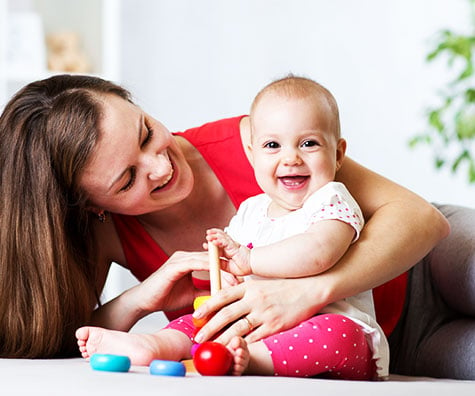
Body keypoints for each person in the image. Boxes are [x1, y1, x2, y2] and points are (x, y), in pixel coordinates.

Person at [0, 73, 463, 380]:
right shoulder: (105, 233)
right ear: (91, 206)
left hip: (422, 262)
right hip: (374, 346)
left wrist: (309, 291)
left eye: (146, 132)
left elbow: (421, 220)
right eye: (127, 179)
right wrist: (142, 298)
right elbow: (64, 339)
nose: (160, 166)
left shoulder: (261, 142)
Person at [76, 76, 389, 379]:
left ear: (337, 155)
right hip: (255, 325)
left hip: (331, 322)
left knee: (337, 336)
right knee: (200, 319)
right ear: (252, 156)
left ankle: (247, 360)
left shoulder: (331, 199)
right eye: (272, 146)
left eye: (308, 144)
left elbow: (319, 253)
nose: (291, 158)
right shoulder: (253, 209)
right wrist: (216, 269)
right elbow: (229, 273)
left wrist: (247, 259)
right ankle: (154, 345)